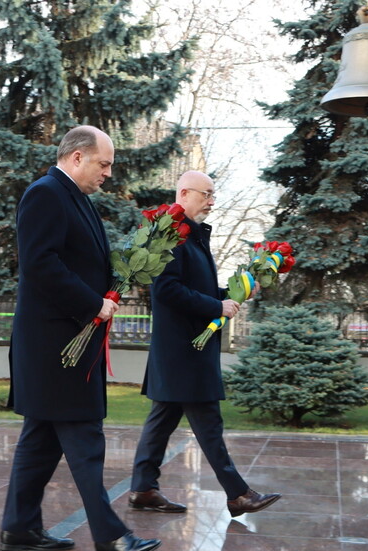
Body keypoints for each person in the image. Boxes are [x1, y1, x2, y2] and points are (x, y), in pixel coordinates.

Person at [1, 126, 161, 551]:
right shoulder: (46, 193)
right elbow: (40, 264)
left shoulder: (79, 201)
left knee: (40, 440)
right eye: (103, 163)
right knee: (85, 440)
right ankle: (111, 537)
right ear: (76, 158)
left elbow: (81, 262)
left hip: (67, 343)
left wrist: (120, 278)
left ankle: (18, 529)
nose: (108, 173)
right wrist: (92, 303)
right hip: (55, 348)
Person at [127, 171, 281, 517]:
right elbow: (165, 291)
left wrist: (234, 293)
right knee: (208, 421)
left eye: (213, 195)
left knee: (162, 420)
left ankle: (142, 489)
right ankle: (238, 494)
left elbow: (198, 291)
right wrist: (216, 306)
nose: (212, 202)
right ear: (184, 192)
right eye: (207, 194)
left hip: (184, 349)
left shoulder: (193, 236)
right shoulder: (169, 235)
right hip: (184, 350)